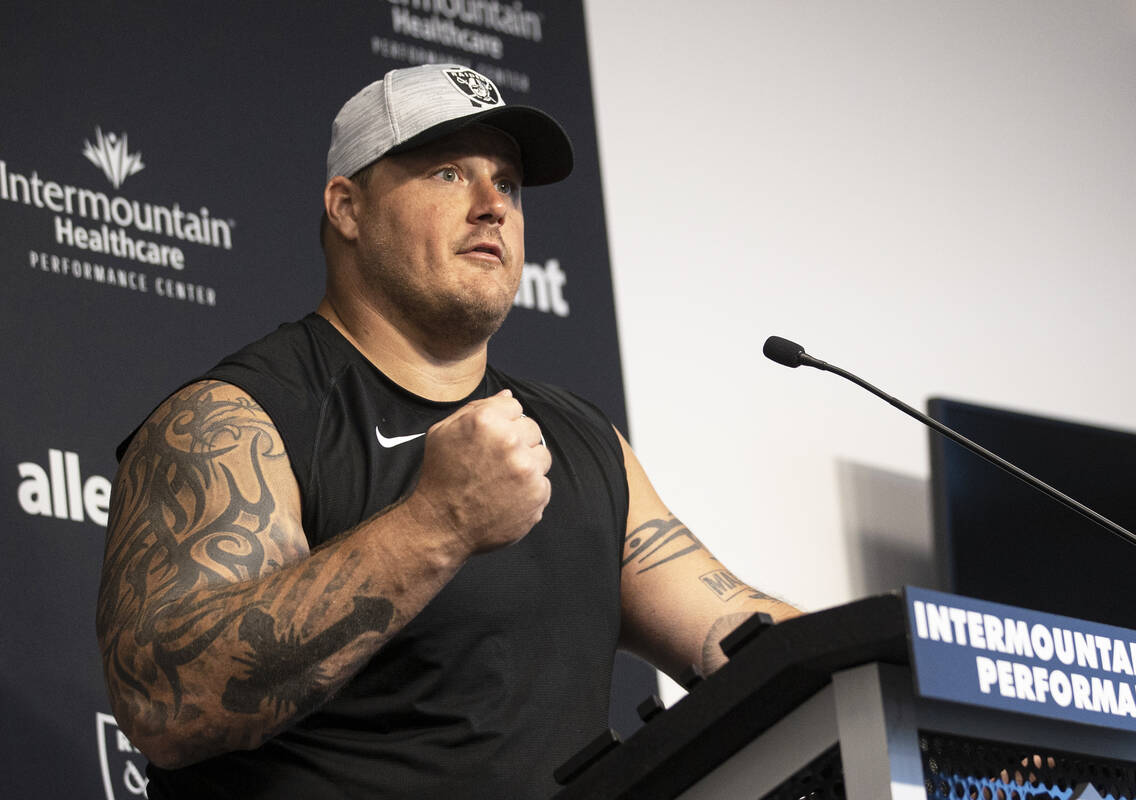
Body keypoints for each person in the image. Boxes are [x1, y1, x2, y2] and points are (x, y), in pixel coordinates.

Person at [96, 64, 800, 799]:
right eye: (447, 173)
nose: (493, 205)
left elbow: (730, 628)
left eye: (508, 183)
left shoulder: (578, 439)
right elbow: (165, 702)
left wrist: (908, 648)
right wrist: (440, 521)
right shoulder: (239, 418)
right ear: (347, 207)